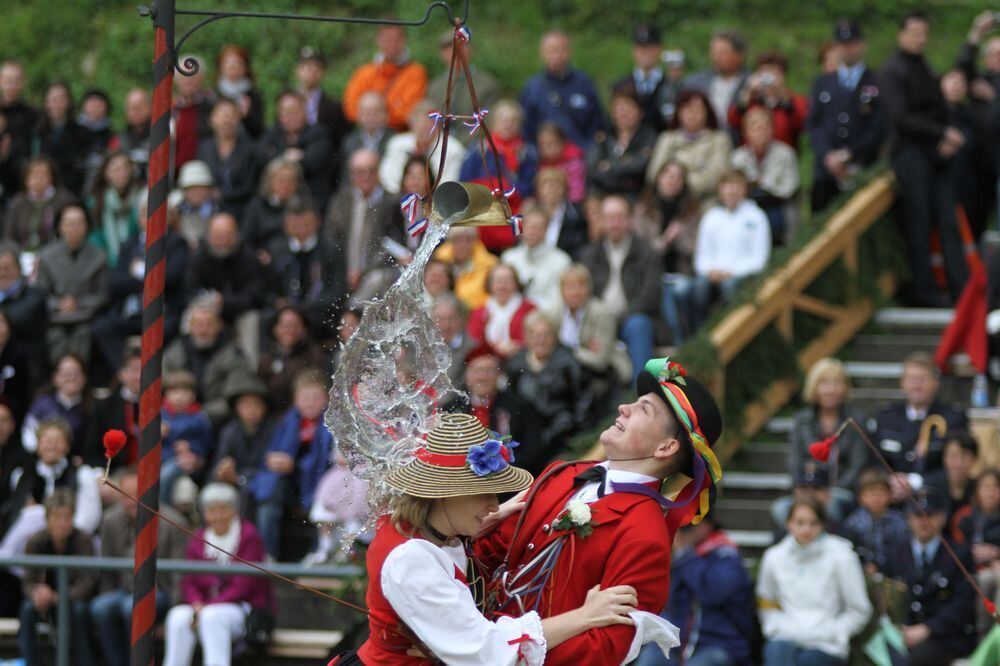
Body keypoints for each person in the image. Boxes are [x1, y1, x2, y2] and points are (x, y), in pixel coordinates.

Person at [341, 412, 643, 665]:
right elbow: (487, 651)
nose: (494, 505)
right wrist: (586, 616)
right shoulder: (411, 559)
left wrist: (478, 522)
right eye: (482, 493)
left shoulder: (429, 527)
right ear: (445, 494)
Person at [475, 356, 722, 662]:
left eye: (643, 409)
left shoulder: (646, 534)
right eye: (635, 402)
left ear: (666, 448)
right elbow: (491, 552)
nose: (624, 408)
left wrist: (509, 653)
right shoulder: (563, 473)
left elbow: (603, 649)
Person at [881, 11, 968, 306]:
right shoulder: (893, 70)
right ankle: (924, 291)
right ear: (901, 34)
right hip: (910, 153)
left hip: (936, 153)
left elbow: (940, 107)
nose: (920, 38)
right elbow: (900, 117)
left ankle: (962, 290)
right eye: (915, 32)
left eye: (924, 33)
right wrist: (941, 132)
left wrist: (948, 134)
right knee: (918, 222)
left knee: (948, 220)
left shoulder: (927, 69)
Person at [163, 483, 272, 666]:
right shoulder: (198, 538)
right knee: (177, 617)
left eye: (224, 510)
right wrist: (197, 603)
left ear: (235, 511)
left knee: (212, 617)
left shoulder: (248, 536)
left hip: (240, 608)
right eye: (212, 510)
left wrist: (206, 607)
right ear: (204, 513)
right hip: (202, 607)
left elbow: (244, 586)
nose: (218, 516)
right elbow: (189, 581)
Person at [756, 497, 872, 665]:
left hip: (826, 644)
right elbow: (766, 601)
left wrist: (835, 632)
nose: (806, 529)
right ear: (789, 523)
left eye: (813, 523)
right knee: (776, 651)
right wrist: (775, 626)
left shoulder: (842, 556)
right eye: (800, 522)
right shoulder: (774, 557)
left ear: (823, 524)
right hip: (786, 635)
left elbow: (859, 609)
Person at [90, 469, 188, 666]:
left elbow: (180, 575)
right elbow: (107, 570)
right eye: (125, 495)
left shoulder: (174, 523)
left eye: (136, 494)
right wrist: (107, 593)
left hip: (161, 590)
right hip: (123, 589)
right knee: (100, 607)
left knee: (132, 608)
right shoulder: (110, 520)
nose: (130, 500)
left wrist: (173, 612)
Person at [635, 515, 754, 666]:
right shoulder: (680, 555)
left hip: (718, 642)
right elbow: (669, 602)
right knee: (649, 660)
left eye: (690, 525)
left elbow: (713, 593)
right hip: (676, 641)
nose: (684, 532)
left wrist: (686, 554)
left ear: (707, 524)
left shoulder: (726, 555)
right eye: (681, 526)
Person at [92, 193, 189, 374]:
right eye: (145, 215)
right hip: (131, 312)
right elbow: (115, 282)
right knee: (102, 328)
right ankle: (128, 373)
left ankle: (154, 374)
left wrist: (139, 271)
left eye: (156, 214)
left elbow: (170, 278)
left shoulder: (176, 243)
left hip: (162, 312)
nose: (150, 219)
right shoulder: (129, 245)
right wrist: (147, 279)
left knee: (166, 332)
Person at [883, 489, 977, 665]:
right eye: (918, 516)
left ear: (942, 518)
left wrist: (928, 628)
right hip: (902, 631)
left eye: (930, 515)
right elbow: (887, 595)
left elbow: (964, 603)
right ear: (909, 519)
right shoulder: (896, 551)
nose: (924, 522)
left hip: (944, 635)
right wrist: (898, 628)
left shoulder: (958, 553)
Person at [249, 370, 332, 559]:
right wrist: (272, 460)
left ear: (326, 399)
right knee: (269, 499)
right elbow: (270, 452)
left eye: (316, 397)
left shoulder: (330, 424)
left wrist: (295, 465)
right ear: (295, 399)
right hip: (288, 484)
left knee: (323, 504)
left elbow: (328, 460)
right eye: (304, 397)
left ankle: (317, 554)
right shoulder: (287, 422)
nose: (310, 402)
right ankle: (266, 553)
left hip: (317, 482)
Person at [579, 195, 662, 382]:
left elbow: (651, 294)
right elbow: (582, 293)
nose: (614, 224)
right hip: (599, 322)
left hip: (629, 319)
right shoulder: (589, 255)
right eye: (609, 218)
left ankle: (641, 394)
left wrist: (619, 319)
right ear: (601, 221)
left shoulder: (646, 253)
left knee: (639, 325)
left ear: (630, 221)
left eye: (620, 217)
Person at [676, 170, 770, 332]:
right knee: (693, 288)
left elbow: (760, 259)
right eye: (727, 186)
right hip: (712, 275)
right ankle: (698, 333)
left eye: (736, 186)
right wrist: (710, 270)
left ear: (744, 189)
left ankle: (730, 332)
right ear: (720, 190)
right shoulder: (711, 216)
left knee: (729, 286)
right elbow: (702, 256)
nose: (732, 191)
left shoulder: (757, 217)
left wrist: (732, 272)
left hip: (740, 277)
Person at [807, 20, 885, 212]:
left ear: (861, 45)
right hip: (827, 169)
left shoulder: (876, 82)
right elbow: (813, 124)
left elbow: (879, 127)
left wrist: (850, 154)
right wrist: (828, 155)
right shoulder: (823, 82)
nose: (847, 50)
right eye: (843, 45)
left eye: (852, 44)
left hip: (861, 165)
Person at [504, 311, 592, 475]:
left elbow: (582, 402)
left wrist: (577, 439)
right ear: (527, 337)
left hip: (559, 436)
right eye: (535, 335)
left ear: (555, 337)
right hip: (525, 439)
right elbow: (510, 402)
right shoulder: (516, 365)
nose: (541, 340)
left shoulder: (569, 363)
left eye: (546, 334)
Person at [18, 490, 96, 666]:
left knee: (78, 611)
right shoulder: (35, 541)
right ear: (47, 519)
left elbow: (88, 582)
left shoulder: (84, 540)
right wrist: (37, 592)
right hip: (45, 600)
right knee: (27, 609)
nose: (62, 523)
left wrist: (60, 597)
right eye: (56, 517)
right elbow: (28, 581)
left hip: (73, 599)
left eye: (67, 517)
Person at [874, 351, 967, 495]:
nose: (916, 385)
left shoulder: (953, 419)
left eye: (923, 379)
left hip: (934, 498)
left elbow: (958, 468)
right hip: (888, 497)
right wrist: (887, 482)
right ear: (902, 383)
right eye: (911, 379)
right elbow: (873, 461)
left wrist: (914, 482)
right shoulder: (886, 417)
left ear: (936, 383)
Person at [787, 358, 869, 507]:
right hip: (808, 489)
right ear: (814, 387)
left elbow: (858, 464)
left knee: (831, 506)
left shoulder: (856, 420)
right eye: (824, 383)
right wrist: (807, 490)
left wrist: (831, 491)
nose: (831, 390)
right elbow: (795, 462)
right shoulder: (801, 420)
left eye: (837, 383)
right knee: (781, 509)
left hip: (842, 490)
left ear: (845, 387)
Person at [550, 263, 631, 412]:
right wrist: (583, 350)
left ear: (589, 288)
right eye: (569, 286)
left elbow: (600, 360)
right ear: (561, 291)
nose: (575, 292)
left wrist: (566, 351)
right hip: (570, 373)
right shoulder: (555, 315)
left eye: (580, 285)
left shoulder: (601, 313)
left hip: (605, 374)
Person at [325, 148, 402, 302]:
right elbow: (331, 238)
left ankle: (352, 311)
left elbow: (393, 244)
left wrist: (363, 272)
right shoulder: (341, 201)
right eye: (360, 172)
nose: (366, 177)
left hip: (375, 273)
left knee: (380, 278)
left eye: (371, 171)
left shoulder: (391, 202)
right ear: (352, 175)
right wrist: (346, 270)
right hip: (344, 272)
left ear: (378, 172)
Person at [187, 212, 265, 364]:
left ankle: (249, 369)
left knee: (252, 319)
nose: (222, 241)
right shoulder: (199, 257)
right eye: (217, 235)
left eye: (227, 235)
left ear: (236, 235)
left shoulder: (248, 256)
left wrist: (226, 302)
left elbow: (255, 295)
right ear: (209, 236)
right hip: (208, 308)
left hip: (239, 310)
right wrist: (206, 304)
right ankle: (189, 364)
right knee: (190, 316)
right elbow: (190, 290)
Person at [35, 204, 108, 366]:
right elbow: (41, 293)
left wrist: (79, 303)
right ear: (60, 227)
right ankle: (59, 381)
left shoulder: (99, 256)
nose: (74, 228)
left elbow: (103, 293)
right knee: (55, 337)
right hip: (55, 317)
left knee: (84, 334)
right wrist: (58, 303)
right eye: (69, 223)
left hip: (87, 316)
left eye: (79, 223)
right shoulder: (47, 256)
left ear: (87, 226)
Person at [267, 195, 347, 339]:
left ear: (317, 222)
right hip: (284, 312)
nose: (301, 230)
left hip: (318, 312)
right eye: (295, 225)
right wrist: (278, 301)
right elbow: (268, 287)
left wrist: (306, 307)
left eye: (306, 224)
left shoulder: (331, 250)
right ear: (286, 225)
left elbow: (338, 290)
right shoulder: (276, 249)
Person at [162, 296, 251, 428]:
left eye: (209, 324)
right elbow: (163, 386)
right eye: (198, 324)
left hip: (217, 422)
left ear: (219, 326)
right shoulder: (173, 353)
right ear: (190, 327)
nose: (203, 330)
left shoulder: (234, 356)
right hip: (174, 417)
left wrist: (199, 414)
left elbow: (234, 396)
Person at [520, 30, 605, 148]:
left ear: (569, 52)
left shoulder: (584, 83)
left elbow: (597, 122)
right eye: (552, 50)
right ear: (542, 53)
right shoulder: (532, 88)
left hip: (581, 156)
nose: (557, 55)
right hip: (546, 160)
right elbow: (526, 129)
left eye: (562, 50)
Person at [645, 90, 733, 200]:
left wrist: (678, 183)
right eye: (686, 108)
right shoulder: (667, 138)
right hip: (666, 201)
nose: (692, 114)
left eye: (698, 109)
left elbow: (719, 177)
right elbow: (653, 174)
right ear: (679, 112)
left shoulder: (719, 140)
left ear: (707, 112)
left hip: (704, 201)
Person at [730, 108, 800, 244]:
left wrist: (763, 185)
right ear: (746, 133)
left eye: (765, 128)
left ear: (772, 130)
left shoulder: (786, 154)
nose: (760, 133)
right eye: (755, 129)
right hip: (748, 206)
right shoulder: (738, 157)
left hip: (778, 205)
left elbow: (790, 188)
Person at [257, 90, 334, 213]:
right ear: (279, 115)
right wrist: (289, 156)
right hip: (276, 203)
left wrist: (280, 158)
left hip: (311, 200)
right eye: (286, 112)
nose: (291, 116)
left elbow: (313, 162)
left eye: (295, 110)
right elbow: (262, 158)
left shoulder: (319, 133)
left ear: (305, 111)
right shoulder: (271, 134)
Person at [343, 24, 428, 132]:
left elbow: (410, 111)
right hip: (367, 134)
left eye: (397, 39)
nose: (393, 44)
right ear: (379, 41)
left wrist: (372, 116)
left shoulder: (416, 72)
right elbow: (351, 108)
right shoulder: (364, 73)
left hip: (399, 134)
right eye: (388, 39)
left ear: (404, 40)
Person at [379, 99, 466, 195]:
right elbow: (386, 177)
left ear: (438, 125)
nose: (423, 130)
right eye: (419, 125)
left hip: (436, 202)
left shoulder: (454, 149)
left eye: (428, 126)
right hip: (398, 200)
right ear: (411, 126)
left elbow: (449, 184)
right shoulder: (396, 144)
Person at [210, 372, 276, 498]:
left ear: (265, 407)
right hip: (231, 486)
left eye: (256, 404)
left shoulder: (274, 429)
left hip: (259, 486)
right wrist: (222, 471)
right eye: (246, 405)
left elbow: (267, 468)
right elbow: (218, 464)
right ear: (236, 408)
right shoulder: (229, 432)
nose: (251, 409)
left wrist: (239, 478)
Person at [727, 51, 808, 151]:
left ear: (783, 76)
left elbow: (802, 124)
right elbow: (733, 120)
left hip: (783, 156)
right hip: (752, 155)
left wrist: (783, 98)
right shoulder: (752, 100)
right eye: (764, 74)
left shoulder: (794, 100)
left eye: (774, 73)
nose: (769, 80)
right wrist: (747, 92)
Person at [587, 84, 658, 198]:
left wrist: (610, 166)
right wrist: (624, 166)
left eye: (628, 107)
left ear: (640, 111)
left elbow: (641, 166)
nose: (623, 113)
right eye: (618, 107)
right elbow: (592, 169)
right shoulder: (604, 136)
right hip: (604, 195)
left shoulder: (648, 136)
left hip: (636, 196)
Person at [3, 157, 78, 261]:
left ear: (51, 177)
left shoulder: (64, 200)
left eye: (43, 175)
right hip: (22, 257)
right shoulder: (18, 202)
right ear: (26, 180)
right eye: (34, 175)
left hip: (56, 257)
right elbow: (9, 236)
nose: (38, 179)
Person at [614, 24, 684, 133]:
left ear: (659, 49)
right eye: (641, 48)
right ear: (634, 51)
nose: (646, 53)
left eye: (650, 48)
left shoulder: (673, 86)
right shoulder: (621, 86)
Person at [197, 97, 259, 218]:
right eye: (221, 115)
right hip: (209, 208)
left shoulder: (250, 149)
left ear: (238, 119)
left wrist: (223, 195)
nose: (226, 119)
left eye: (231, 115)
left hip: (242, 209)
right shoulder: (204, 148)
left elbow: (251, 185)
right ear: (211, 120)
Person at [501, 206, 572, 311]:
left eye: (539, 227)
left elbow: (558, 302)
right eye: (530, 226)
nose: (533, 232)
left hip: (545, 320)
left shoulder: (561, 261)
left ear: (547, 230)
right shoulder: (508, 258)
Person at [21, 354, 91, 460]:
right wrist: (45, 453)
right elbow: (28, 433)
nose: (72, 377)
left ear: (85, 377)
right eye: (66, 373)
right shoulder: (42, 404)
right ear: (55, 378)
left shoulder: (93, 408)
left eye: (77, 373)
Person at [956, 468, 1000, 636]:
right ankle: (982, 635)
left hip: (995, 571)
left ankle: (996, 633)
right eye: (985, 487)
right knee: (986, 579)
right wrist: (972, 552)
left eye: (995, 488)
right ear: (977, 491)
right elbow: (958, 547)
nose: (990, 493)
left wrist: (997, 554)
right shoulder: (966, 517)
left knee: (994, 578)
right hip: (971, 571)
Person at [257, 305, 327, 411]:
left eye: (295, 325)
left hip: (304, 413)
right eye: (285, 325)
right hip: (272, 417)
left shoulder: (313, 354)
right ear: (275, 328)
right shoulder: (267, 357)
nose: (290, 330)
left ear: (304, 329)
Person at [160, 370, 213, 505]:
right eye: (175, 392)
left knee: (167, 475)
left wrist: (191, 446)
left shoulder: (199, 418)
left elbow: (207, 443)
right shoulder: (160, 415)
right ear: (166, 395)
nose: (180, 397)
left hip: (183, 462)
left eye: (185, 392)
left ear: (193, 396)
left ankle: (162, 508)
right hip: (161, 459)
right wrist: (157, 434)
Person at [842, 468, 909, 573]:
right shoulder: (853, 522)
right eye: (871, 492)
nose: (876, 497)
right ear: (860, 497)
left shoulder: (900, 522)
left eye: (881, 492)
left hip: (894, 571)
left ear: (890, 495)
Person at [682, 29, 749, 132]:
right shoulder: (696, 83)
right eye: (714, 52)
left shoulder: (750, 83)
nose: (716, 57)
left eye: (722, 53)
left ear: (739, 55)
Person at [85, 346, 141, 469]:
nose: (139, 376)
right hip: (116, 471)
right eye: (134, 370)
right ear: (122, 374)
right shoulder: (105, 407)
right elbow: (92, 450)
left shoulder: (160, 404)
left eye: (143, 370)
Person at [32, 82, 92, 195]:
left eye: (61, 99)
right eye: (53, 99)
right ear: (46, 103)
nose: (57, 104)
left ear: (68, 102)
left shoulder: (82, 133)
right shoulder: (36, 132)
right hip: (42, 190)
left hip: (72, 190)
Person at [426, 29, 501, 118]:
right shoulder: (434, 87)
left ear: (470, 49)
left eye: (460, 47)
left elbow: (490, 121)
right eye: (449, 49)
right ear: (442, 54)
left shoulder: (487, 85)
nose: (455, 53)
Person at [86, 151, 142, 266]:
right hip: (104, 261)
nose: (121, 173)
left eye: (125, 168)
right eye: (116, 169)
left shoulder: (141, 198)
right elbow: (93, 234)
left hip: (135, 260)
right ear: (106, 173)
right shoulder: (95, 200)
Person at [242, 157, 304, 253]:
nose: (285, 185)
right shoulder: (257, 205)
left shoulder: (303, 205)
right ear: (270, 181)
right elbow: (247, 239)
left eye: (291, 180)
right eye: (281, 180)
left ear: (297, 184)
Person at [295, 46, 349, 151]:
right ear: (297, 70)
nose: (311, 71)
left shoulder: (334, 107)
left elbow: (339, 141)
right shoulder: (287, 102)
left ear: (322, 72)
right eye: (306, 66)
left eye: (316, 67)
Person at [433, 226, 498, 311]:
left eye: (468, 240)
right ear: (450, 242)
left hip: (476, 313)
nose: (462, 245)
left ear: (475, 242)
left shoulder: (490, 264)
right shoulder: (439, 261)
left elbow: (492, 297)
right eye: (457, 240)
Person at [533, 166, 590, 259]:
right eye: (546, 185)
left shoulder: (575, 216)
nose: (551, 189)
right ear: (538, 190)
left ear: (564, 189)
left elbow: (579, 246)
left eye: (556, 185)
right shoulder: (530, 213)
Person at [924, 434, 977, 531]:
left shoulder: (978, 488)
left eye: (965, 455)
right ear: (944, 458)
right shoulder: (929, 486)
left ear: (974, 459)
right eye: (953, 455)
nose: (958, 463)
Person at [171, 55, 214, 173]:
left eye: (193, 76)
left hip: (204, 170)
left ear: (202, 79)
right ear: (176, 81)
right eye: (183, 76)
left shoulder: (212, 105)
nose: (188, 80)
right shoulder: (172, 109)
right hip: (176, 171)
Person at [213, 45, 264, 139]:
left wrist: (247, 115)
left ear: (246, 67)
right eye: (229, 64)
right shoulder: (213, 95)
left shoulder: (254, 95)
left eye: (239, 64)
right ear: (221, 67)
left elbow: (259, 130)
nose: (234, 68)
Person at [169, 159, 220, 250]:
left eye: (200, 187)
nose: (195, 192)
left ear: (209, 189)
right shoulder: (176, 211)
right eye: (191, 188)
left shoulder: (219, 210)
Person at [536, 122, 587, 203]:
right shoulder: (541, 164)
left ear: (563, 142)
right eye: (543, 145)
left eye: (552, 144)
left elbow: (576, 191)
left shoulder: (573, 162)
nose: (548, 149)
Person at [432, 294, 476, 388]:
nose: (445, 326)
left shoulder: (472, 349)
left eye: (451, 319)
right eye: (440, 320)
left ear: (461, 320)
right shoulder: (426, 345)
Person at [340, 91, 393, 166]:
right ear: (358, 115)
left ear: (386, 115)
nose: (371, 117)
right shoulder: (349, 142)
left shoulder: (394, 141)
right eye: (366, 112)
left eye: (376, 112)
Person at [109, 88, 151, 182]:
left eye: (140, 106)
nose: (136, 111)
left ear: (150, 108)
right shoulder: (119, 139)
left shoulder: (160, 137)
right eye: (131, 108)